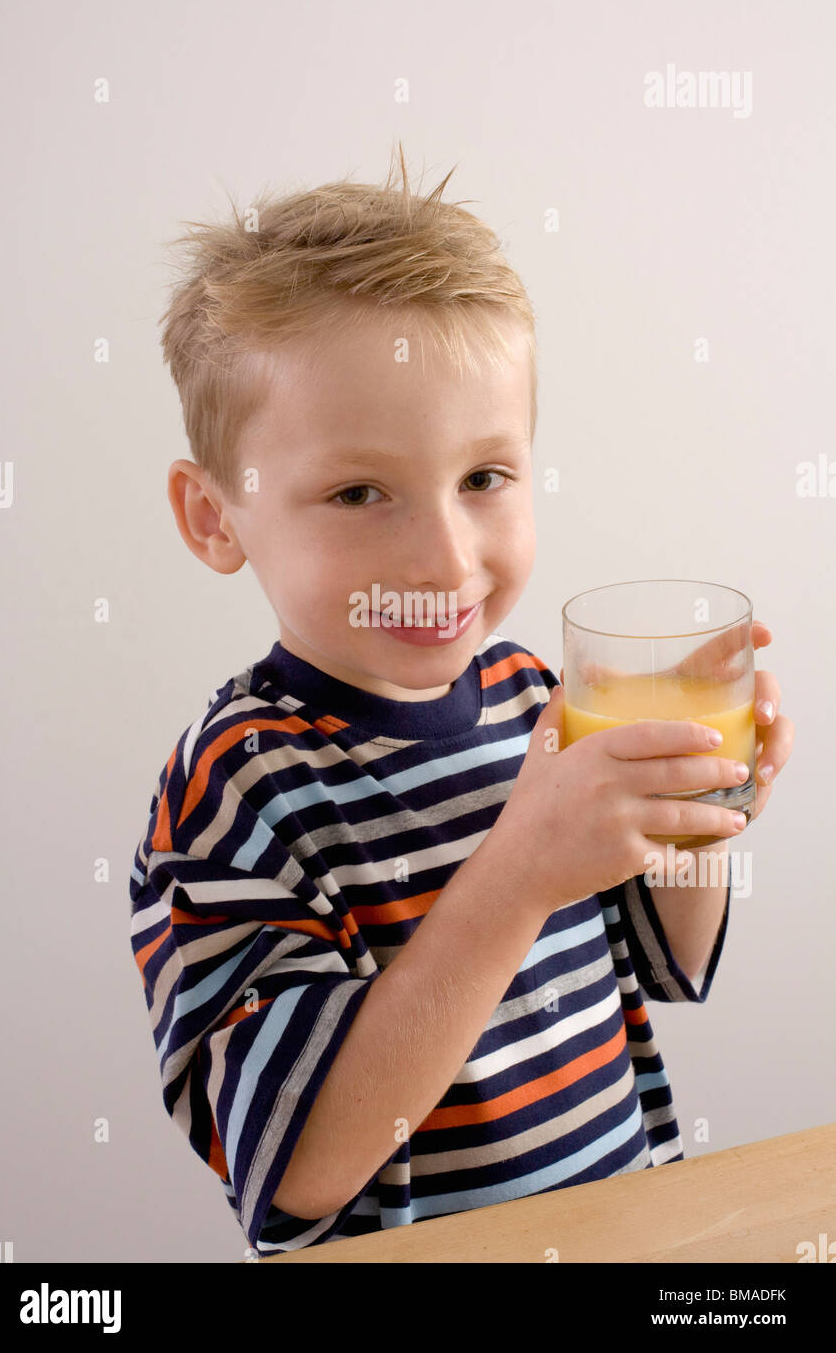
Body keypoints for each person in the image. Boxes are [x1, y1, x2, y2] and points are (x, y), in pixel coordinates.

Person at [129, 143, 787, 1258]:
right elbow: (297, 1170)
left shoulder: (540, 695)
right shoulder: (232, 790)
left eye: (483, 477)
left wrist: (702, 814)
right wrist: (521, 865)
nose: (442, 558)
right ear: (214, 519)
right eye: (356, 491)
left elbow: (668, 967)